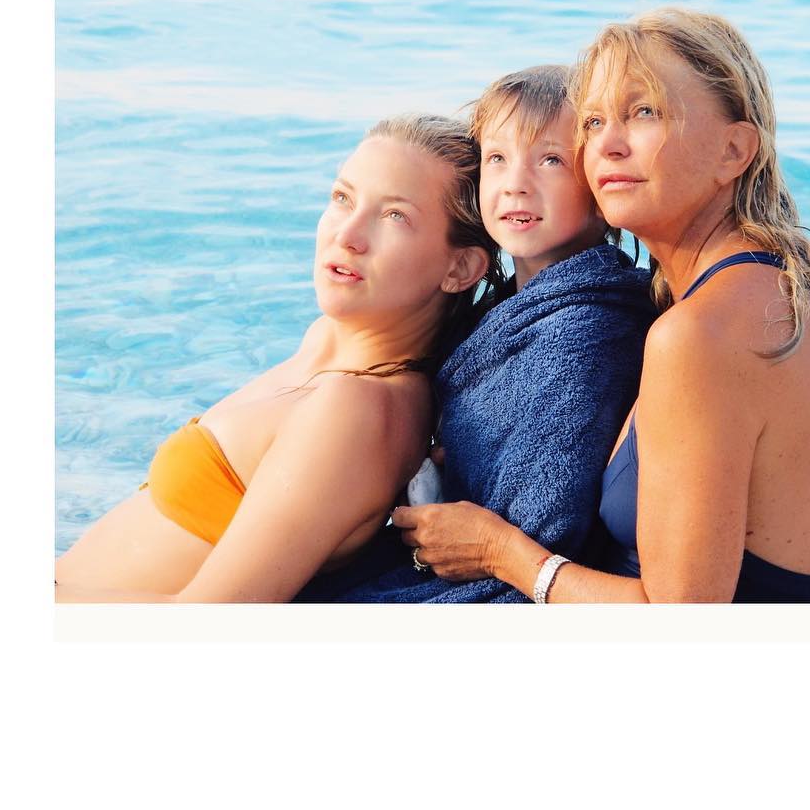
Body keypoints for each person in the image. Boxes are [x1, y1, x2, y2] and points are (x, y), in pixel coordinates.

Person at [391, 9, 810, 603]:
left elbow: (678, 623)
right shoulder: (797, 289)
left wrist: (503, 553)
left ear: (734, 150)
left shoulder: (700, 334)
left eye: (643, 112)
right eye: (594, 122)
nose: (607, 146)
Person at [55, 114, 498, 603]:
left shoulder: (360, 408)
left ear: (460, 267)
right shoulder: (329, 343)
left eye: (395, 216)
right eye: (342, 198)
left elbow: (212, 621)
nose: (347, 234)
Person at [297, 64, 656, 602]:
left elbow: (546, 525)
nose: (516, 183)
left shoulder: (585, 336)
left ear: (602, 190)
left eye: (552, 161)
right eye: (497, 159)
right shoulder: (511, 306)